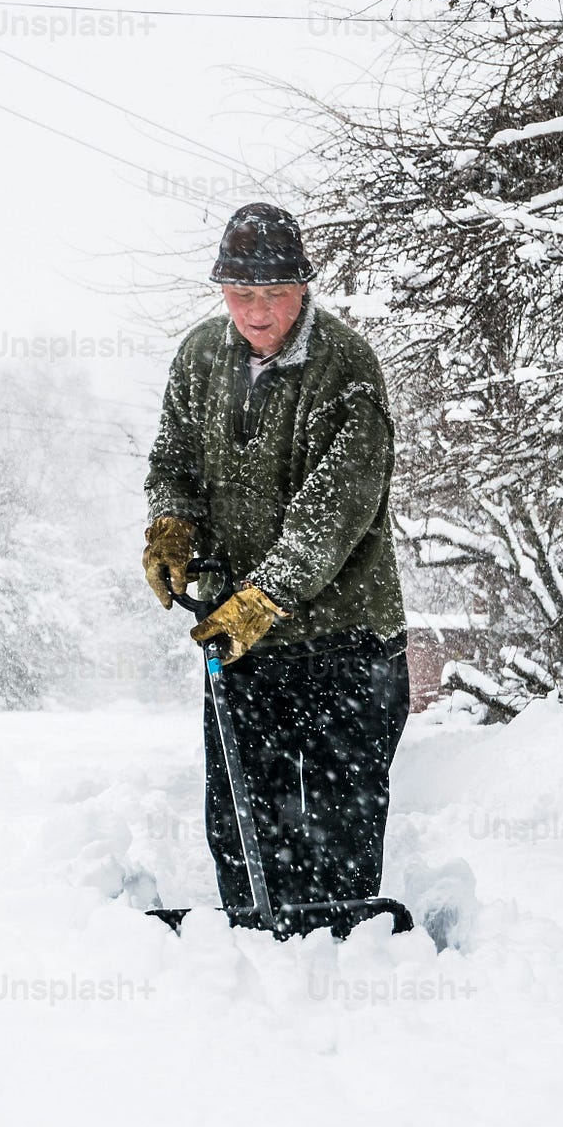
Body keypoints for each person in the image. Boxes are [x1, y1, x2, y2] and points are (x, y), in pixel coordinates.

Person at [143, 202, 409, 920]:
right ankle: (252, 957)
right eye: (240, 294)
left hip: (347, 642)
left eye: (273, 295)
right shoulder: (200, 358)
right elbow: (174, 461)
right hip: (240, 640)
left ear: (304, 287)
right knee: (240, 817)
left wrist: (264, 597)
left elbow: (336, 513)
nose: (256, 313)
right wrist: (171, 527)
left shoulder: (346, 366)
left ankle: (344, 954)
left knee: (335, 821)